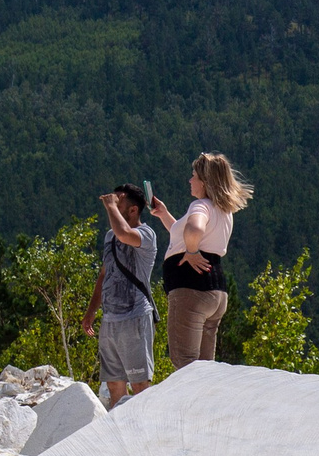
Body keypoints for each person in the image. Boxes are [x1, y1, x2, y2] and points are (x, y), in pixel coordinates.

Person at [151, 153, 250, 367]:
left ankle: (186, 402)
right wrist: (165, 215)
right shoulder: (224, 211)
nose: (190, 180)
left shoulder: (200, 206)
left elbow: (194, 229)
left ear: (204, 183)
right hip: (216, 293)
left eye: (194, 176)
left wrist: (193, 252)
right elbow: (185, 235)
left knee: (185, 364)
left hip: (190, 289)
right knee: (206, 368)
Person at [81, 185, 160, 405]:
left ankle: (144, 430)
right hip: (110, 320)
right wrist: (91, 312)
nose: (115, 206)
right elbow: (105, 274)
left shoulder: (147, 235)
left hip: (135, 316)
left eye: (120, 204)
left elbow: (125, 235)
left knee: (140, 384)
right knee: (114, 383)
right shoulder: (110, 237)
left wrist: (109, 206)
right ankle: (120, 432)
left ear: (133, 210)